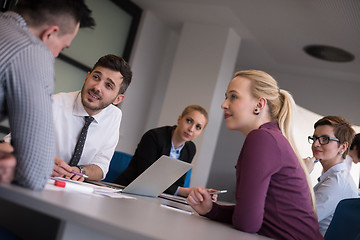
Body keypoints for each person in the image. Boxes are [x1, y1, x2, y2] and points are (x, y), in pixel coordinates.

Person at [186, 70, 322, 239]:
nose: (224, 104)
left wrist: (215, 211)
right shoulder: (270, 137)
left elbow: (247, 223)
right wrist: (211, 209)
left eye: (233, 97)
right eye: (226, 96)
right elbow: (252, 215)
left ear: (259, 105)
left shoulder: (262, 138)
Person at [0, 0, 95, 190]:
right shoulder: (32, 50)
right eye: (63, 47)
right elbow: (34, 173)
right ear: (50, 33)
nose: (57, 55)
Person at [3, 54, 132, 182]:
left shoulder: (114, 116)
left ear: (118, 99)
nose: (97, 87)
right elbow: (8, 146)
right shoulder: (52, 104)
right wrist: (38, 160)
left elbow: (102, 167)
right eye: (96, 77)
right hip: (35, 181)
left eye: (108, 85)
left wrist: (79, 171)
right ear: (87, 77)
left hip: (73, 192)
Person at [114, 105, 208, 197]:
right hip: (128, 191)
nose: (191, 129)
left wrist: (198, 195)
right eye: (189, 121)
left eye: (198, 127)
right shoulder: (153, 137)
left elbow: (179, 183)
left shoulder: (190, 149)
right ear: (179, 119)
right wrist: (183, 191)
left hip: (159, 196)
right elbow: (146, 178)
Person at [304, 116, 358, 236]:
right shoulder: (334, 176)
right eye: (314, 138)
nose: (316, 144)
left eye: (325, 139)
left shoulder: (337, 181)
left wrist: (301, 175)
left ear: (343, 147)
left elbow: (301, 220)